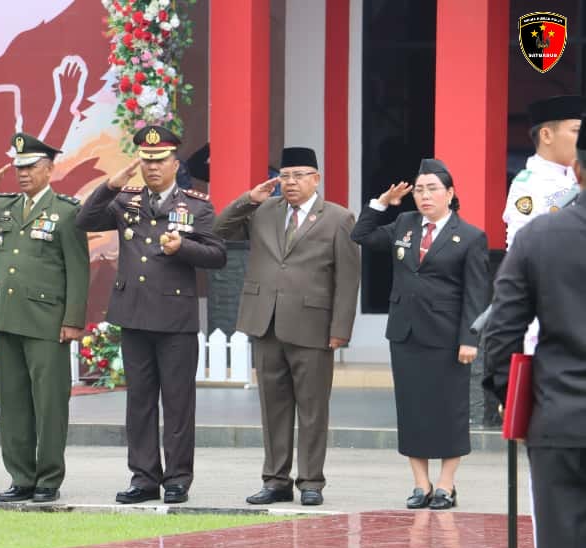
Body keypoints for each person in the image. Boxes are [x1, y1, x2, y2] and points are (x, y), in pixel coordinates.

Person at [76, 125, 227, 504]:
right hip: (134, 315)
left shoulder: (196, 205)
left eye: (160, 161)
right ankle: (144, 477)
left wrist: (183, 248)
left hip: (175, 320)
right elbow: (85, 220)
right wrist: (110, 186)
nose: (152, 167)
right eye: (146, 160)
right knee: (139, 404)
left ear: (175, 164)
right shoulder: (126, 200)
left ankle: (177, 478)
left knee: (177, 404)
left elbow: (218, 256)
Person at [214, 146, 359, 507]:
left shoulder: (338, 218)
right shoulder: (264, 211)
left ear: (316, 179)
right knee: (273, 407)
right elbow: (218, 229)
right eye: (285, 176)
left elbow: (348, 278)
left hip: (313, 325)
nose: (290, 182)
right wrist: (248, 199)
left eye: (298, 175)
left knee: (312, 408)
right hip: (266, 321)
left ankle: (311, 481)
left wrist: (340, 329)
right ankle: (276, 480)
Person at [0, 133, 89, 503]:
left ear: (49, 169)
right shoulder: (3, 206)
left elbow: (78, 269)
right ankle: (21, 477)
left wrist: (73, 319)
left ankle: (48, 479)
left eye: (31, 167)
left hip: (47, 321)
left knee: (49, 404)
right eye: (19, 167)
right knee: (12, 404)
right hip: (8, 317)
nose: (23, 173)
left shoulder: (66, 211)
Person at [351, 159, 489, 510]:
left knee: (449, 410)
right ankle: (420, 484)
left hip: (448, 337)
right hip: (406, 333)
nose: (425, 196)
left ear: (450, 193)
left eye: (433, 189)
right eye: (420, 190)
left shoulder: (470, 236)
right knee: (412, 409)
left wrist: (470, 338)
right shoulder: (405, 224)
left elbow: (476, 293)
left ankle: (446, 485)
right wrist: (381, 203)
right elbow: (361, 236)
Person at [483, 121, 586, 548]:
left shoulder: (539, 238)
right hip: (558, 416)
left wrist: (512, 399)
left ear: (577, 170)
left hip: (559, 415)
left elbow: (502, 331)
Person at [503, 95, 583, 354]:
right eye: (576, 131)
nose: (582, 139)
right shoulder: (528, 185)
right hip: (552, 309)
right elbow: (521, 253)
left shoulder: (576, 177)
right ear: (547, 135)